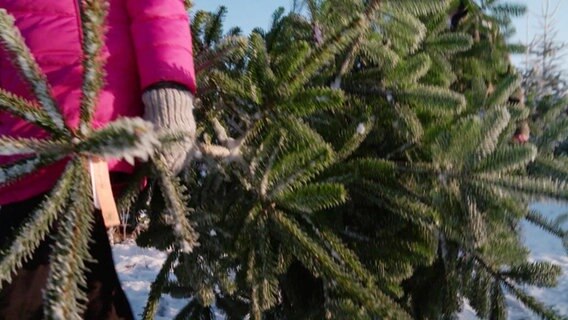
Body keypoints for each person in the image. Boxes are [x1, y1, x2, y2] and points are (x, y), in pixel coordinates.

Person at [0, 0, 196, 319]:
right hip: (13, 139)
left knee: (34, 288)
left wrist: (168, 89)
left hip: (85, 125)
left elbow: (157, 8)